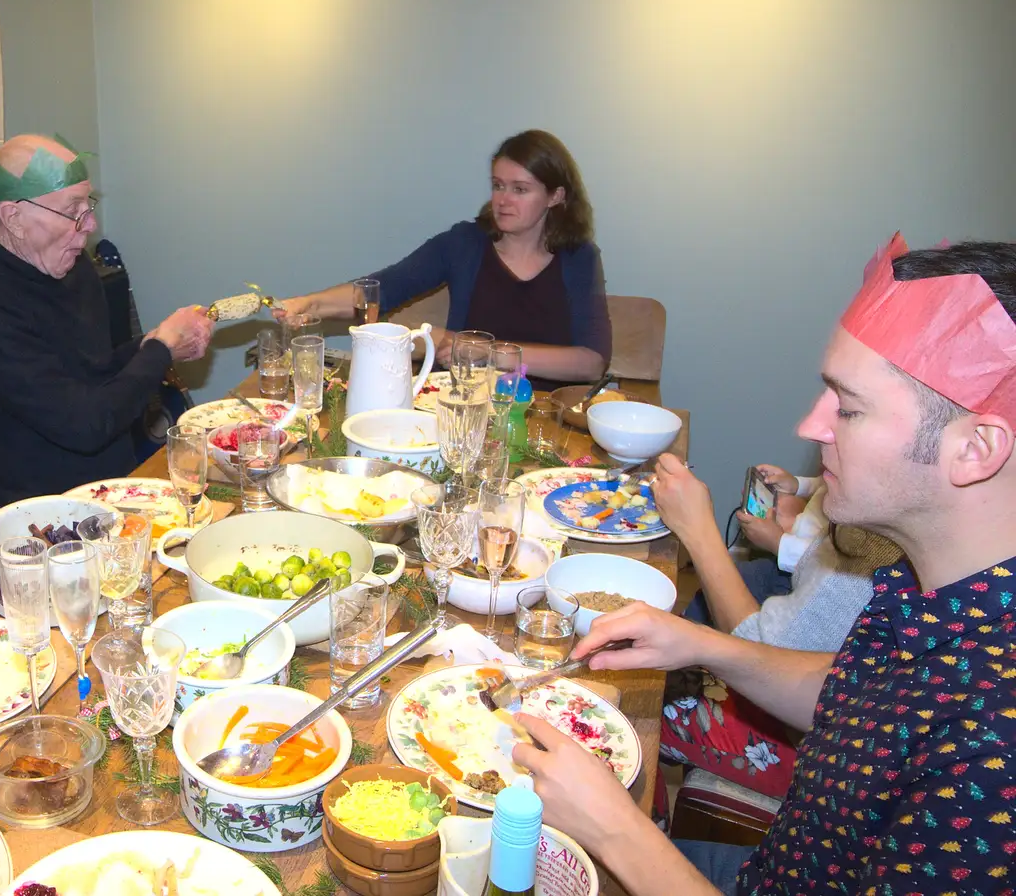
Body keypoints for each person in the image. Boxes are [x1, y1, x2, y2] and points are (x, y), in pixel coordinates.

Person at [511, 235, 1016, 894]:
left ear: (976, 448)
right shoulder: (931, 589)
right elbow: (851, 695)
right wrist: (703, 645)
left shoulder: (994, 743)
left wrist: (616, 831)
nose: (812, 425)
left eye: (851, 407)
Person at [0, 134, 214, 508]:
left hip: (118, 484)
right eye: (73, 211)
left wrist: (156, 343)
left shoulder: (74, 268)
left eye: (88, 207)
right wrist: (158, 350)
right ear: (13, 217)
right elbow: (85, 426)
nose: (90, 226)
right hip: (46, 518)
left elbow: (94, 373)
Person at [651, 453, 902, 801]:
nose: (814, 426)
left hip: (821, 760)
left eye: (851, 410)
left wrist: (698, 529)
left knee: (646, 705)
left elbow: (762, 649)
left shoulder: (878, 553)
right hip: (835, 697)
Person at [274, 129, 610, 383]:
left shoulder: (578, 257)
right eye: (497, 185)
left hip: (541, 416)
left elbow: (591, 362)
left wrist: (481, 351)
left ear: (555, 196)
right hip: (462, 405)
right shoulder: (464, 243)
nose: (503, 200)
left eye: (520, 189)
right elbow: (382, 289)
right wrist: (310, 303)